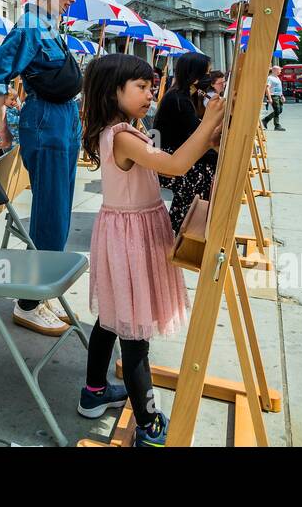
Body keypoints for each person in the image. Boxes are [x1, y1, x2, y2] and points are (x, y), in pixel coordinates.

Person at [78, 53, 225, 446]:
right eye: (141, 87)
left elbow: (167, 160)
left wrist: (207, 137)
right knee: (134, 332)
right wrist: (209, 119)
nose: (150, 92)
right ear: (114, 92)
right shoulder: (123, 135)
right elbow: (175, 166)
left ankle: (93, 392)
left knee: (112, 314)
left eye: (150, 85)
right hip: (131, 235)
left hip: (126, 229)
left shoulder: (127, 128)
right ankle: (146, 423)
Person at [0, 0, 85, 337]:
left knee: (58, 213)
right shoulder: (29, 25)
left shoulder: (49, 26)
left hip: (62, 122)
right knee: (51, 215)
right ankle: (28, 302)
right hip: (46, 122)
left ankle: (37, 292)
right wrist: (3, 132)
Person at [153, 52, 217, 232]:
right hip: (167, 157)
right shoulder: (178, 99)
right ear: (194, 75)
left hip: (175, 151)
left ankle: (190, 223)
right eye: (206, 74)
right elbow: (197, 134)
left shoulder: (188, 95)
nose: (209, 79)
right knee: (204, 170)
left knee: (212, 162)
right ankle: (184, 226)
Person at [261, 65, 286, 131]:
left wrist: (282, 96)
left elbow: (279, 88)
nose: (280, 71)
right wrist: (270, 98)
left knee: (280, 110)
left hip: (278, 96)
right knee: (277, 110)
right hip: (273, 95)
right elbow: (267, 88)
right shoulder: (270, 78)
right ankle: (277, 125)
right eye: (279, 70)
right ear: (274, 70)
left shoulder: (277, 78)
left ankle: (265, 120)